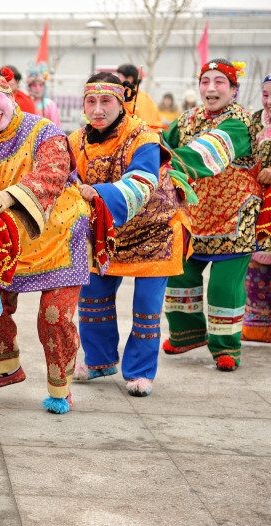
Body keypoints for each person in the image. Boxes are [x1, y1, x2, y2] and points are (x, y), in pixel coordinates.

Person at [0, 68, 88, 413]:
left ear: (11, 96)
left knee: (53, 316)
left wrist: (13, 194)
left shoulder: (43, 131)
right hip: (8, 242)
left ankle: (60, 388)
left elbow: (53, 171)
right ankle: (5, 367)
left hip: (61, 236)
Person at [69, 73, 190, 397]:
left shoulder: (143, 137)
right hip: (108, 233)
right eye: (90, 102)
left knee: (146, 308)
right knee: (92, 298)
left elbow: (141, 181)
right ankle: (99, 360)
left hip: (156, 232)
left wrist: (94, 192)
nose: (97, 109)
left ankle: (139, 372)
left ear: (121, 101)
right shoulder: (75, 140)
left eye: (105, 101)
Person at [162, 59, 267, 371]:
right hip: (194, 215)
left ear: (233, 90)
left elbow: (208, 153)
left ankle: (225, 348)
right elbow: (161, 139)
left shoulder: (242, 122)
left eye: (219, 81)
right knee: (180, 274)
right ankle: (186, 334)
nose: (210, 88)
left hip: (234, 218)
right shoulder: (188, 119)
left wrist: (160, 159)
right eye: (205, 81)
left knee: (224, 286)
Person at [243, 74, 271, 343]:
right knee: (256, 265)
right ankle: (258, 324)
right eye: (265, 94)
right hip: (256, 200)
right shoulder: (253, 121)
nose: (269, 101)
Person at [116, 63, 164, 131]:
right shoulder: (146, 96)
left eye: (119, 76)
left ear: (129, 79)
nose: (117, 79)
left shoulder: (127, 98)